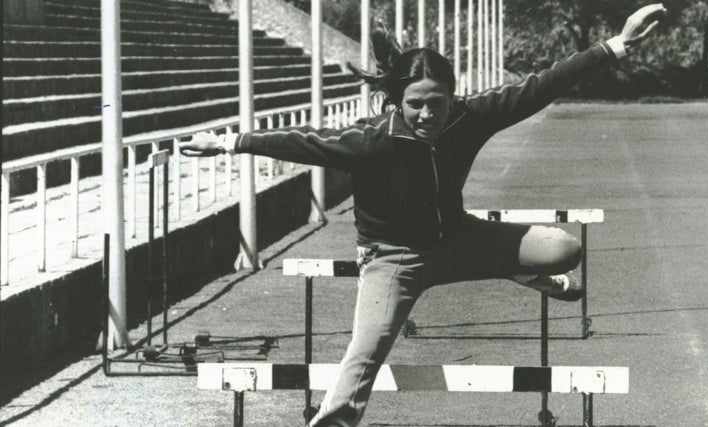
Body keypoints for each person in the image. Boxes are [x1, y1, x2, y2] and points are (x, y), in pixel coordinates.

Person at [180, 4, 666, 426]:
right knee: (364, 356)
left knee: (565, 248)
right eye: (415, 105)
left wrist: (617, 44)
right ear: (396, 101)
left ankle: (519, 267)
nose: (427, 115)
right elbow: (302, 140)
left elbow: (543, 85)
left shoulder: (470, 117)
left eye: (437, 103)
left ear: (453, 97)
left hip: (458, 240)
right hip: (393, 261)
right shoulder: (371, 139)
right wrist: (228, 142)